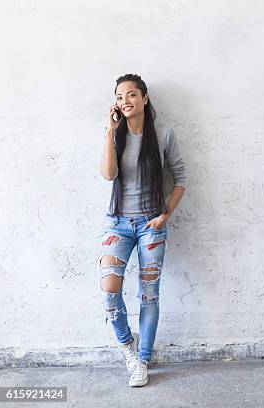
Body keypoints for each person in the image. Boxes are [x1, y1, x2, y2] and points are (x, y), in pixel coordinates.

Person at [98, 73, 186, 387]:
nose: (125, 102)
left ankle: (144, 359)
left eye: (132, 95)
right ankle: (128, 349)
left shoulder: (163, 134)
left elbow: (181, 179)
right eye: (120, 97)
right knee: (109, 289)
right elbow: (108, 175)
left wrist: (165, 215)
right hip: (118, 222)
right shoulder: (115, 134)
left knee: (148, 295)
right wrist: (110, 131)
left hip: (151, 224)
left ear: (145, 99)